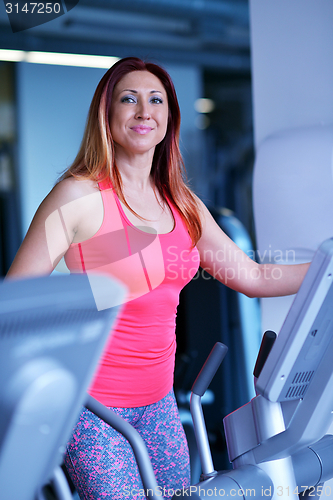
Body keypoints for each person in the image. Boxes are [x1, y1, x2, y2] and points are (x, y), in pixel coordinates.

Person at [6, 57, 310, 499]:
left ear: (169, 119)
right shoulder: (78, 196)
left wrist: (326, 268)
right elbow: (15, 306)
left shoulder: (181, 204)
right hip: (95, 407)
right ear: (107, 118)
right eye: (129, 99)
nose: (144, 111)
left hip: (160, 403)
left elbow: (254, 276)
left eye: (156, 100)